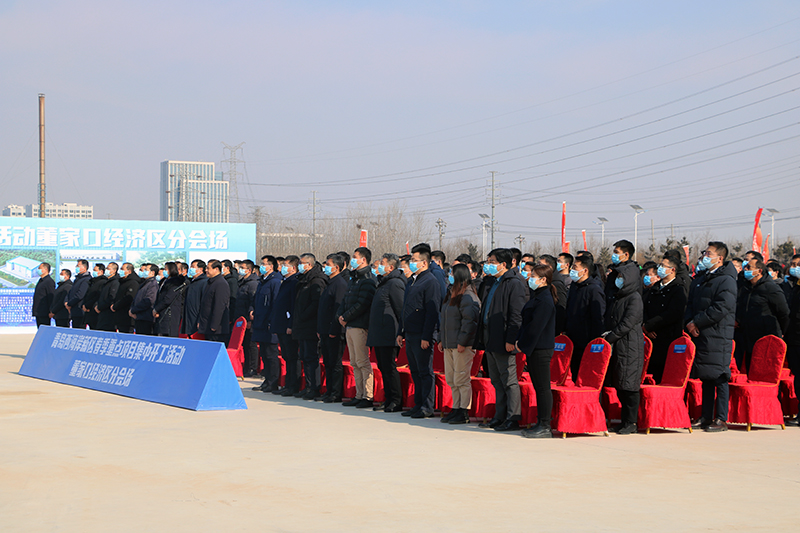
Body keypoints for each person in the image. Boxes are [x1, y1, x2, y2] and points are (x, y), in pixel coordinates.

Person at [474, 248, 528, 431]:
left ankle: (513, 417)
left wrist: (511, 338)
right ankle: (500, 415)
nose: (488, 265)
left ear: (503, 264)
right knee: (496, 379)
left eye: (492, 262)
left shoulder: (514, 283)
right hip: (490, 335)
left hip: (504, 337)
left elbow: (516, 315)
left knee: (509, 380)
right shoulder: (494, 282)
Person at [685, 241, 737, 432]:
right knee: (705, 375)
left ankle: (721, 418)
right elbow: (690, 304)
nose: (705, 257)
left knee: (720, 376)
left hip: (718, 334)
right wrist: (690, 322)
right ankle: (706, 416)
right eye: (705, 253)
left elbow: (721, 307)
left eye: (709, 254)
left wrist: (697, 322)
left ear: (720, 258)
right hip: (701, 333)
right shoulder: (702, 279)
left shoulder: (726, 280)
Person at [603, 240, 644, 435]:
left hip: (630, 345)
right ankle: (624, 420)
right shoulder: (618, 298)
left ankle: (631, 422)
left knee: (630, 386)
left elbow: (628, 323)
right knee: (620, 384)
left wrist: (611, 336)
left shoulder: (634, 298)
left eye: (621, 278)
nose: (618, 280)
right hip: (618, 345)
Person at [397, 243, 442, 418]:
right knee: (414, 371)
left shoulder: (430, 281)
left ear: (424, 262)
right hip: (410, 332)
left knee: (425, 371)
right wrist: (401, 332)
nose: (412, 263)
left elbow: (432, 312)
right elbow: (406, 308)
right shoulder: (412, 281)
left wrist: (427, 336)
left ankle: (427, 406)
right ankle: (418, 403)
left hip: (422, 334)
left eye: (415, 260)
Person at [516, 263, 557, 438]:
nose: (530, 279)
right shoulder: (537, 297)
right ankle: (540, 422)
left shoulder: (545, 300)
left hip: (541, 348)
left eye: (533, 276)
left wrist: (522, 343)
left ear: (543, 280)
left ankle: (545, 425)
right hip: (534, 348)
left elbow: (535, 327)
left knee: (543, 387)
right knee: (538, 387)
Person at [438, 263, 480, 424]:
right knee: (451, 378)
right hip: (449, 343)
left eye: (452, 273)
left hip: (461, 345)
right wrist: (441, 339)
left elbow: (469, 322)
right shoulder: (451, 294)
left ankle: (464, 410)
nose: (449, 276)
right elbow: (444, 319)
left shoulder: (468, 295)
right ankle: (455, 407)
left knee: (461, 378)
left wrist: (463, 341)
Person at [337, 247, 377, 408]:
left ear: (363, 260)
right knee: (354, 362)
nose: (353, 260)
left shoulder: (368, 279)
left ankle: (367, 395)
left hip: (360, 325)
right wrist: (340, 315)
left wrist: (346, 316)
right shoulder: (354, 278)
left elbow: (363, 303)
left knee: (362, 361)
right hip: (350, 325)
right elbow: (346, 299)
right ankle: (358, 394)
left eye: (355, 257)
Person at [367, 253, 406, 413]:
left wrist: (401, 332)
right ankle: (388, 398)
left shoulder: (395, 283)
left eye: (382, 263)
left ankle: (396, 400)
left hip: (389, 333)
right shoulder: (383, 282)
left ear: (391, 267)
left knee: (390, 368)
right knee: (383, 367)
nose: (379, 266)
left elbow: (400, 309)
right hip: (379, 333)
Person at [736, 257, 790, 371]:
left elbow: (783, 312)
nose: (745, 269)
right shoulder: (745, 288)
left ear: (759, 271)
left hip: (766, 337)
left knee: (765, 372)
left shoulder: (771, 288)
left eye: (749, 267)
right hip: (749, 339)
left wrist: (782, 332)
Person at [642, 255, 688, 383]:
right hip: (650, 336)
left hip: (667, 337)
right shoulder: (655, 288)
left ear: (672, 269)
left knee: (662, 373)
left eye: (663, 266)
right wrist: (645, 326)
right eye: (660, 266)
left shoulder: (678, 289)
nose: (660, 268)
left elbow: (673, 313)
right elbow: (644, 307)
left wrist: (651, 325)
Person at [292, 253, 327, 399]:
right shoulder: (303, 279)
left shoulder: (317, 280)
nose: (300, 266)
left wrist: (304, 315)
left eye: (302, 263)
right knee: (305, 356)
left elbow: (316, 303)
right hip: (302, 324)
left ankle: (314, 387)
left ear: (310, 265)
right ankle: (308, 386)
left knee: (312, 357)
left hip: (311, 324)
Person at [564, 255, 606, 378]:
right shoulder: (574, 287)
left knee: (585, 375)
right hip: (573, 339)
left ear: (585, 270)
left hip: (586, 341)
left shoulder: (594, 289)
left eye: (575, 267)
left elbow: (598, 317)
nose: (572, 270)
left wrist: (594, 341)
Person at [317, 253, 348, 402]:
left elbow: (338, 309)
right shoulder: (329, 283)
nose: (325, 267)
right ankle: (329, 391)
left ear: (336, 267)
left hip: (334, 331)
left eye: (328, 265)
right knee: (328, 362)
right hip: (325, 330)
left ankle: (336, 393)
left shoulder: (340, 284)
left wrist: (334, 330)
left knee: (335, 363)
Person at [251, 256, 283, 393]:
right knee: (264, 353)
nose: (262, 266)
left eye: (264, 264)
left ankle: (273, 382)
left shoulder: (275, 282)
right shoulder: (262, 281)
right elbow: (256, 300)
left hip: (269, 323)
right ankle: (267, 380)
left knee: (271, 354)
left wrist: (272, 321)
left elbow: (276, 304)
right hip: (259, 322)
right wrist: (251, 310)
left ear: (271, 266)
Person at [272, 256, 301, 396]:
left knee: (292, 357)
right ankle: (287, 384)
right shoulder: (285, 281)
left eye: (285, 265)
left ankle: (293, 385)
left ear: (293, 268)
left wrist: (290, 325)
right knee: (286, 356)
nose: (282, 268)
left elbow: (293, 306)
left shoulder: (294, 282)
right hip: (281, 324)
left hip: (288, 325)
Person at [232, 260, 260, 376]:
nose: (240, 270)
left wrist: (249, 319)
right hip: (241, 318)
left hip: (248, 320)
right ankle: (247, 368)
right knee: (245, 344)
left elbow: (252, 302)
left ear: (249, 270)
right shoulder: (243, 282)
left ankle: (252, 368)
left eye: (242, 268)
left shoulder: (253, 284)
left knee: (251, 344)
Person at [783, 254, 800, 424]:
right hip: (794, 338)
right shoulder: (795, 287)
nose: (793, 268)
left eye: (797, 265)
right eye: (792, 264)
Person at [197, 260, 231, 342]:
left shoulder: (221, 283)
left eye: (208, 268)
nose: (206, 270)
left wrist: (215, 325)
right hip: (207, 325)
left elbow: (219, 306)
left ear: (216, 269)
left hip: (216, 330)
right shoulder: (210, 282)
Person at [153, 262, 187, 337]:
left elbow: (168, 299)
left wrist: (157, 309)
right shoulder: (164, 281)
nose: (164, 271)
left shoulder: (175, 282)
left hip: (169, 313)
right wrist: (156, 309)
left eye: (166, 269)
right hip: (161, 313)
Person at [538, 255, 567, 333]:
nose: (537, 267)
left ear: (549, 268)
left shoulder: (556, 284)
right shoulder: (545, 281)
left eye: (540, 265)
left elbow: (560, 309)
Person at [130, 264, 159, 335]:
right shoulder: (145, 283)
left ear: (152, 272)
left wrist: (134, 310)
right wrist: (132, 309)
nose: (144, 271)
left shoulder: (153, 284)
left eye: (146, 270)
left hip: (146, 318)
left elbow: (148, 301)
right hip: (139, 317)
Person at [111, 263, 140, 333]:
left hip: (127, 318)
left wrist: (115, 306)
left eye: (122, 269)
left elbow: (128, 298)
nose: (120, 271)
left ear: (129, 271)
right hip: (120, 317)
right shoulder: (122, 282)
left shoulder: (133, 283)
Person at [182, 260, 207, 337]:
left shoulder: (204, 282)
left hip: (196, 318)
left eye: (193, 267)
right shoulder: (191, 282)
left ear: (200, 269)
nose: (191, 269)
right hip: (189, 317)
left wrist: (200, 319)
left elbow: (204, 303)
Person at [65, 259, 91, 329]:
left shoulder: (86, 279)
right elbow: (71, 292)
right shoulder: (77, 279)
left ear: (84, 268)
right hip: (74, 311)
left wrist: (69, 304)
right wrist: (66, 302)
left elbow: (80, 295)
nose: (76, 267)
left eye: (78, 266)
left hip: (80, 311)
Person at [95, 262, 120, 331]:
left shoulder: (115, 282)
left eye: (108, 269)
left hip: (108, 315)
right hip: (102, 314)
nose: (106, 270)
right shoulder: (106, 282)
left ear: (114, 270)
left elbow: (111, 297)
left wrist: (100, 307)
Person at [82, 263, 107, 329]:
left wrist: (88, 305)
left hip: (95, 311)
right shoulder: (92, 282)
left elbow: (98, 296)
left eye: (95, 270)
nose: (94, 272)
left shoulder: (103, 282)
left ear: (101, 271)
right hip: (89, 312)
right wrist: (84, 305)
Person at [32, 262, 55, 327]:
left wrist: (51, 310)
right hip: (39, 311)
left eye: (40, 268)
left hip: (44, 312)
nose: (38, 270)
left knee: (44, 330)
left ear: (45, 269)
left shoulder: (49, 281)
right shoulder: (41, 280)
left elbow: (51, 296)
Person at [222, 259, 239, 339]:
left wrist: (230, 316)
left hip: (228, 314)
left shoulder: (232, 281)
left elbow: (233, 298)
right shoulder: (222, 279)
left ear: (227, 268)